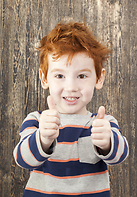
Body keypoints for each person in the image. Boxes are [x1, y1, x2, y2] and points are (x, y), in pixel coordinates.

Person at [13, 21, 129, 197]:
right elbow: (22, 160)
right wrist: (43, 139)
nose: (71, 86)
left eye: (81, 76)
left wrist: (107, 143)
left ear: (99, 78)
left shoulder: (103, 123)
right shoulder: (36, 120)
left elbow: (119, 156)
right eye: (60, 75)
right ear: (44, 79)